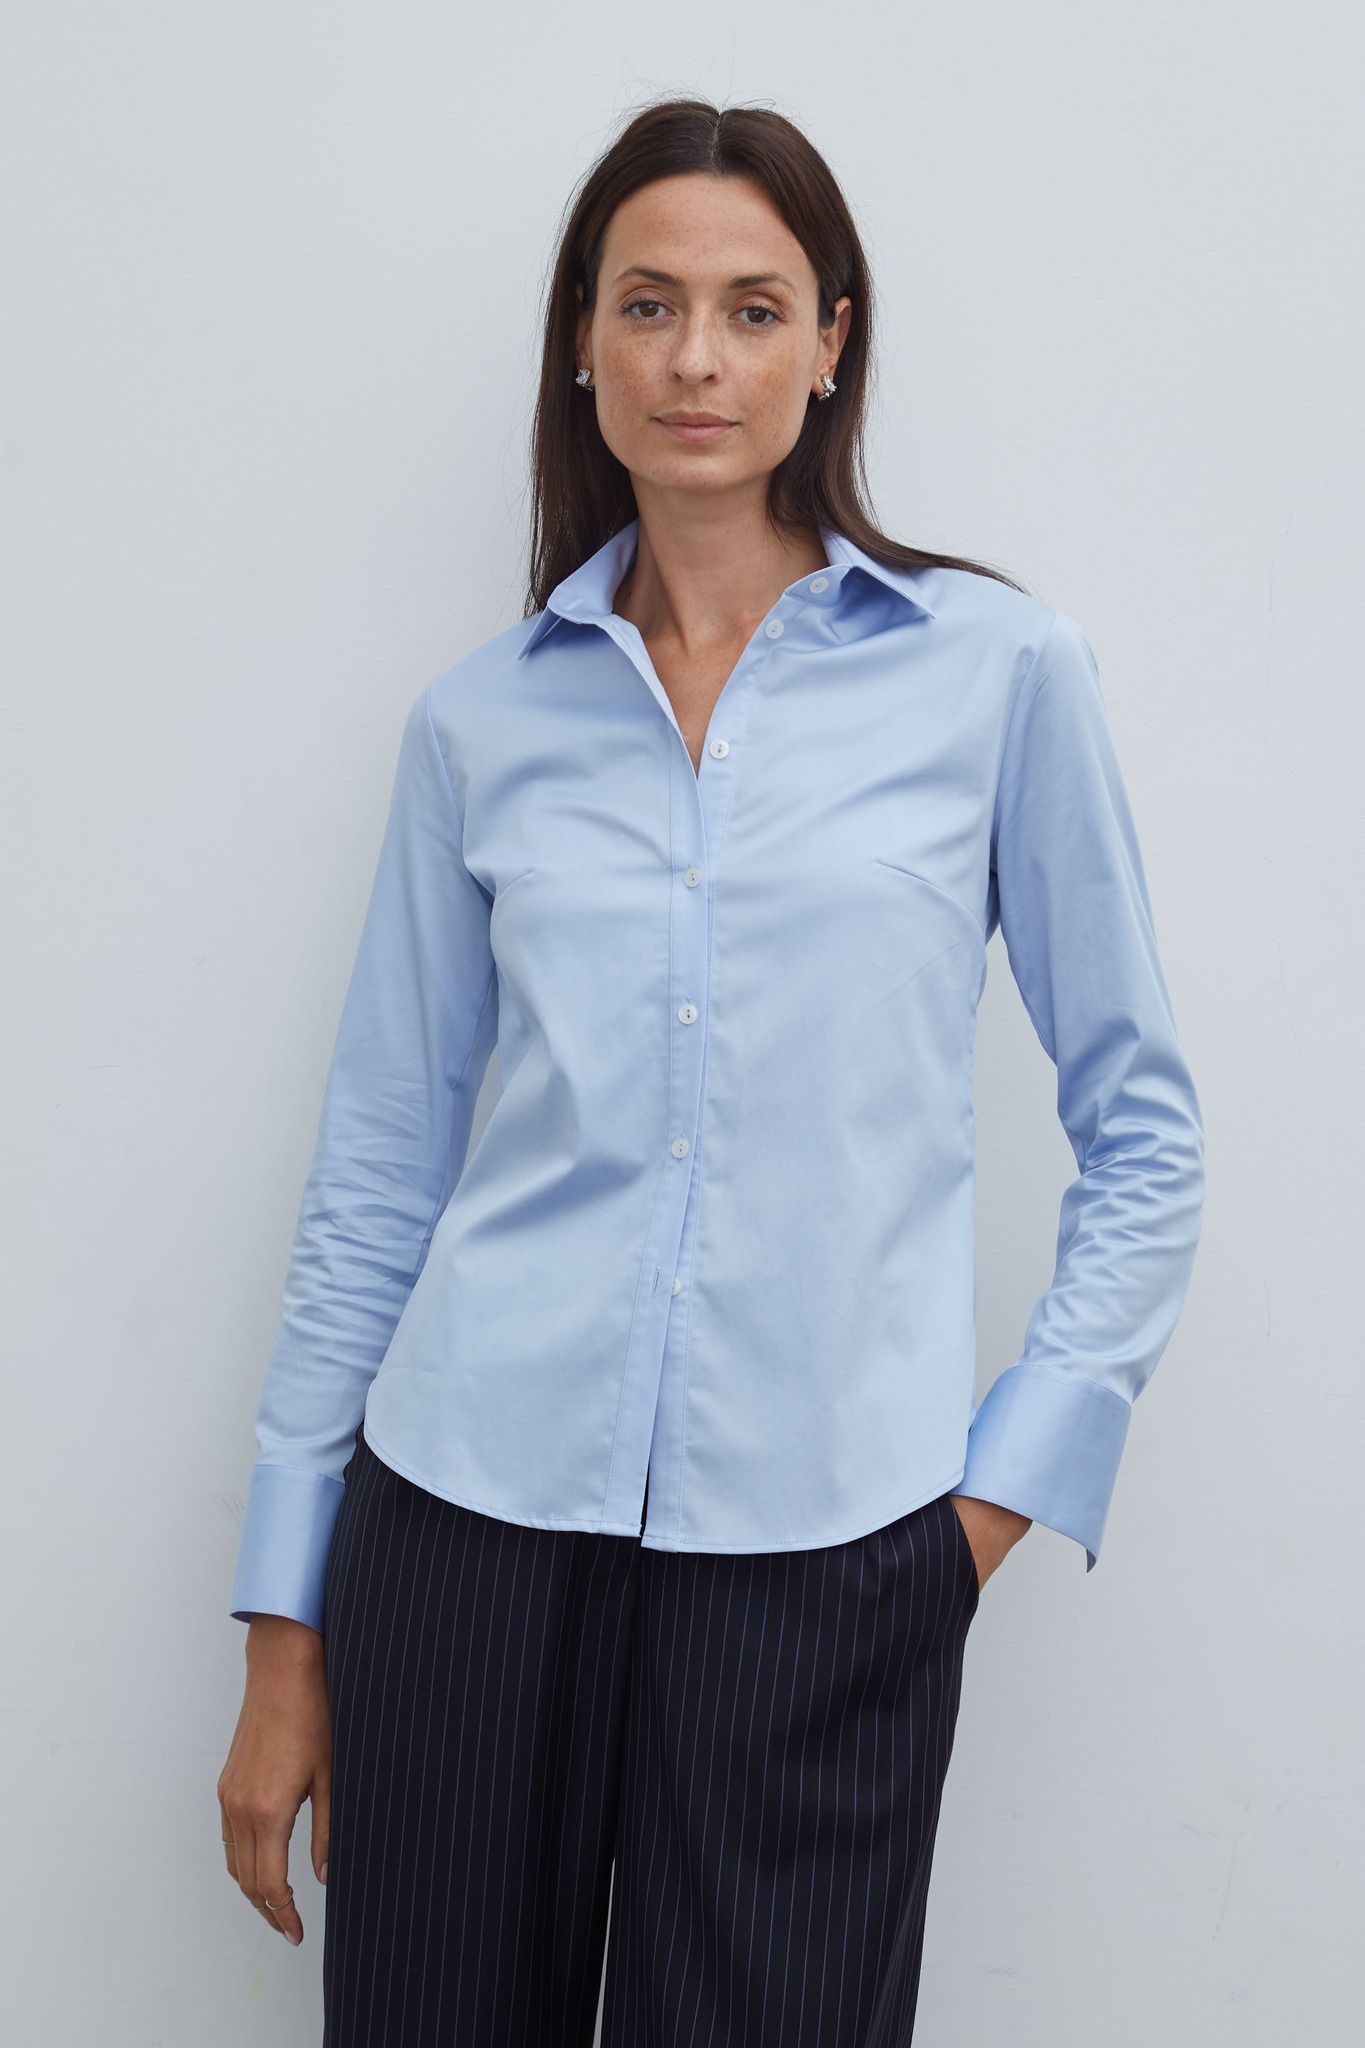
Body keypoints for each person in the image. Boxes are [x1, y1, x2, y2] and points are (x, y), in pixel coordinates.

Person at [217, 95, 1205, 2047]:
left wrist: (987, 1506)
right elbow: (379, 1175)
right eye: (647, 304)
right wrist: (283, 1620)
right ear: (581, 344)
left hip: (830, 1554)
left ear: (829, 342)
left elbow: (1144, 1133)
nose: (695, 359)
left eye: (751, 309)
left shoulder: (995, 674)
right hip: (463, 1529)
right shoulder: (477, 726)